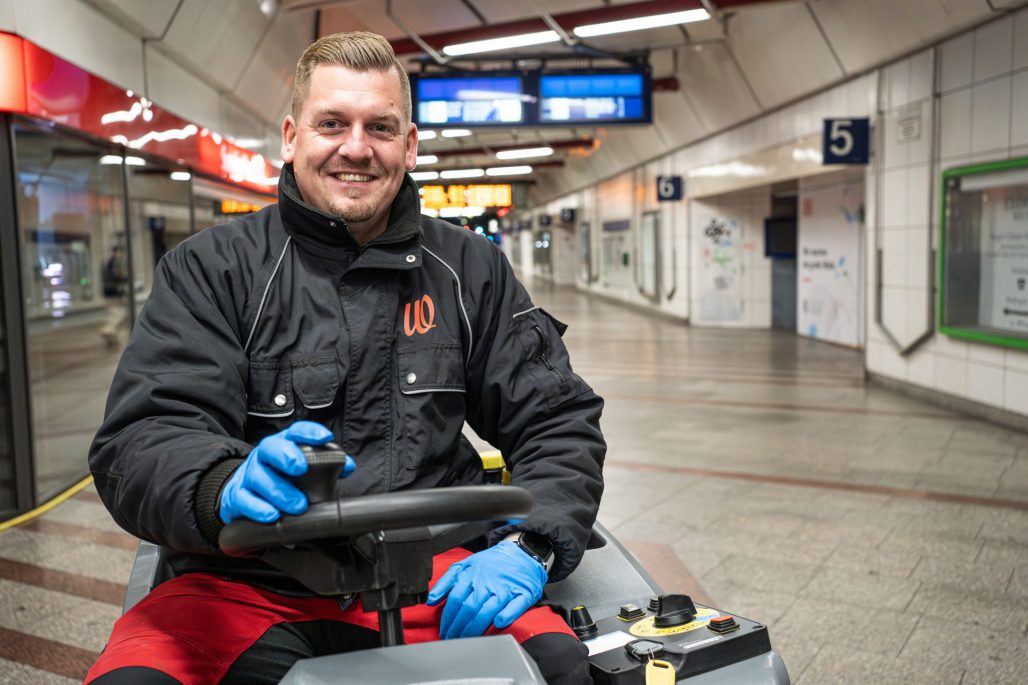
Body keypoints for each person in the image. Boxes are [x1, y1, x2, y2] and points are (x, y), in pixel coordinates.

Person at [85, 31, 605, 685]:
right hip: (248, 582)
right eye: (332, 123)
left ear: (409, 145)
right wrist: (220, 485)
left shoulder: (472, 270)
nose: (356, 147)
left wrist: (530, 546)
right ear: (291, 136)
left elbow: (559, 420)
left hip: (439, 579)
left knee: (561, 671)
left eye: (380, 127)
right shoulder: (211, 271)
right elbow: (143, 437)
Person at [99, 245, 128, 345]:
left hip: (109, 291)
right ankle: (108, 329)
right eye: (119, 252)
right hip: (112, 291)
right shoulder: (112, 264)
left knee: (113, 312)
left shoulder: (110, 263)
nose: (120, 255)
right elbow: (115, 277)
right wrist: (123, 278)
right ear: (116, 252)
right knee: (120, 312)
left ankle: (109, 330)